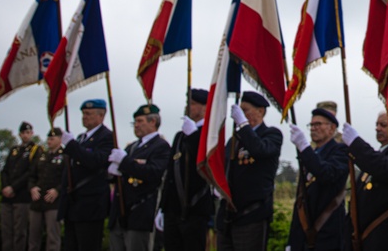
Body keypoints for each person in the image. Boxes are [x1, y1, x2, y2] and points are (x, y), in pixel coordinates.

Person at [215, 91, 282, 251]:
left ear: (260, 111)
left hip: (252, 214)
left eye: (245, 110)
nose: (241, 115)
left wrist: (244, 125)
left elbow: (259, 150)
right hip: (228, 215)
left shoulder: (271, 134)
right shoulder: (235, 139)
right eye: (240, 111)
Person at [342, 112, 388, 250]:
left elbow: (383, 167)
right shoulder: (378, 155)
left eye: (383, 125)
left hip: (382, 236)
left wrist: (356, 144)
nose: (378, 128)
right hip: (363, 239)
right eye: (377, 125)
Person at [108, 104, 171, 251]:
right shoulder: (132, 147)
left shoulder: (160, 146)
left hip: (140, 211)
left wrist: (124, 162)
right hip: (121, 211)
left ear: (153, 122)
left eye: (140, 121)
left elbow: (153, 173)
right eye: (134, 122)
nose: (136, 126)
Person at [286, 107, 349, 251]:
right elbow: (300, 201)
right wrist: (292, 241)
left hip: (327, 231)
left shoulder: (340, 151)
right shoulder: (312, 154)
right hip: (304, 231)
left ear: (332, 128)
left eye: (318, 124)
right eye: (311, 125)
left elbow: (327, 174)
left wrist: (304, 147)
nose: (313, 128)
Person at [160, 88, 213, 251]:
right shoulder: (180, 135)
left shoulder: (209, 133)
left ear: (205, 107)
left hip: (195, 207)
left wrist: (194, 136)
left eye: (193, 104)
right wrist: (163, 207)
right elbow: (171, 173)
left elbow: (205, 162)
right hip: (174, 210)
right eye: (188, 103)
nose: (188, 107)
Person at [59, 98, 115, 251]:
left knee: (88, 245)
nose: (85, 117)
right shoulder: (81, 138)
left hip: (91, 204)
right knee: (71, 245)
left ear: (101, 115)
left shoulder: (107, 137)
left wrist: (71, 145)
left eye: (89, 113)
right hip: (74, 203)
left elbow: (95, 162)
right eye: (84, 113)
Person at [1, 121, 40, 251]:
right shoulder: (14, 150)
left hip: (22, 195)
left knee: (20, 230)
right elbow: (5, 171)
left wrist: (14, 187)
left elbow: (31, 172)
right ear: (19, 134)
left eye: (28, 133)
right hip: (7, 196)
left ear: (32, 133)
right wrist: (6, 187)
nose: (25, 135)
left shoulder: (35, 150)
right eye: (23, 133)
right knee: (6, 230)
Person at [28, 128, 64, 251]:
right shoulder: (41, 155)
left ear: (60, 139)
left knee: (53, 237)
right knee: (33, 237)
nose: (49, 141)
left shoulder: (64, 156)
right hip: (37, 201)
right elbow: (32, 176)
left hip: (53, 202)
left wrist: (57, 190)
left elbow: (66, 179)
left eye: (52, 138)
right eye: (48, 138)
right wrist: (32, 188)